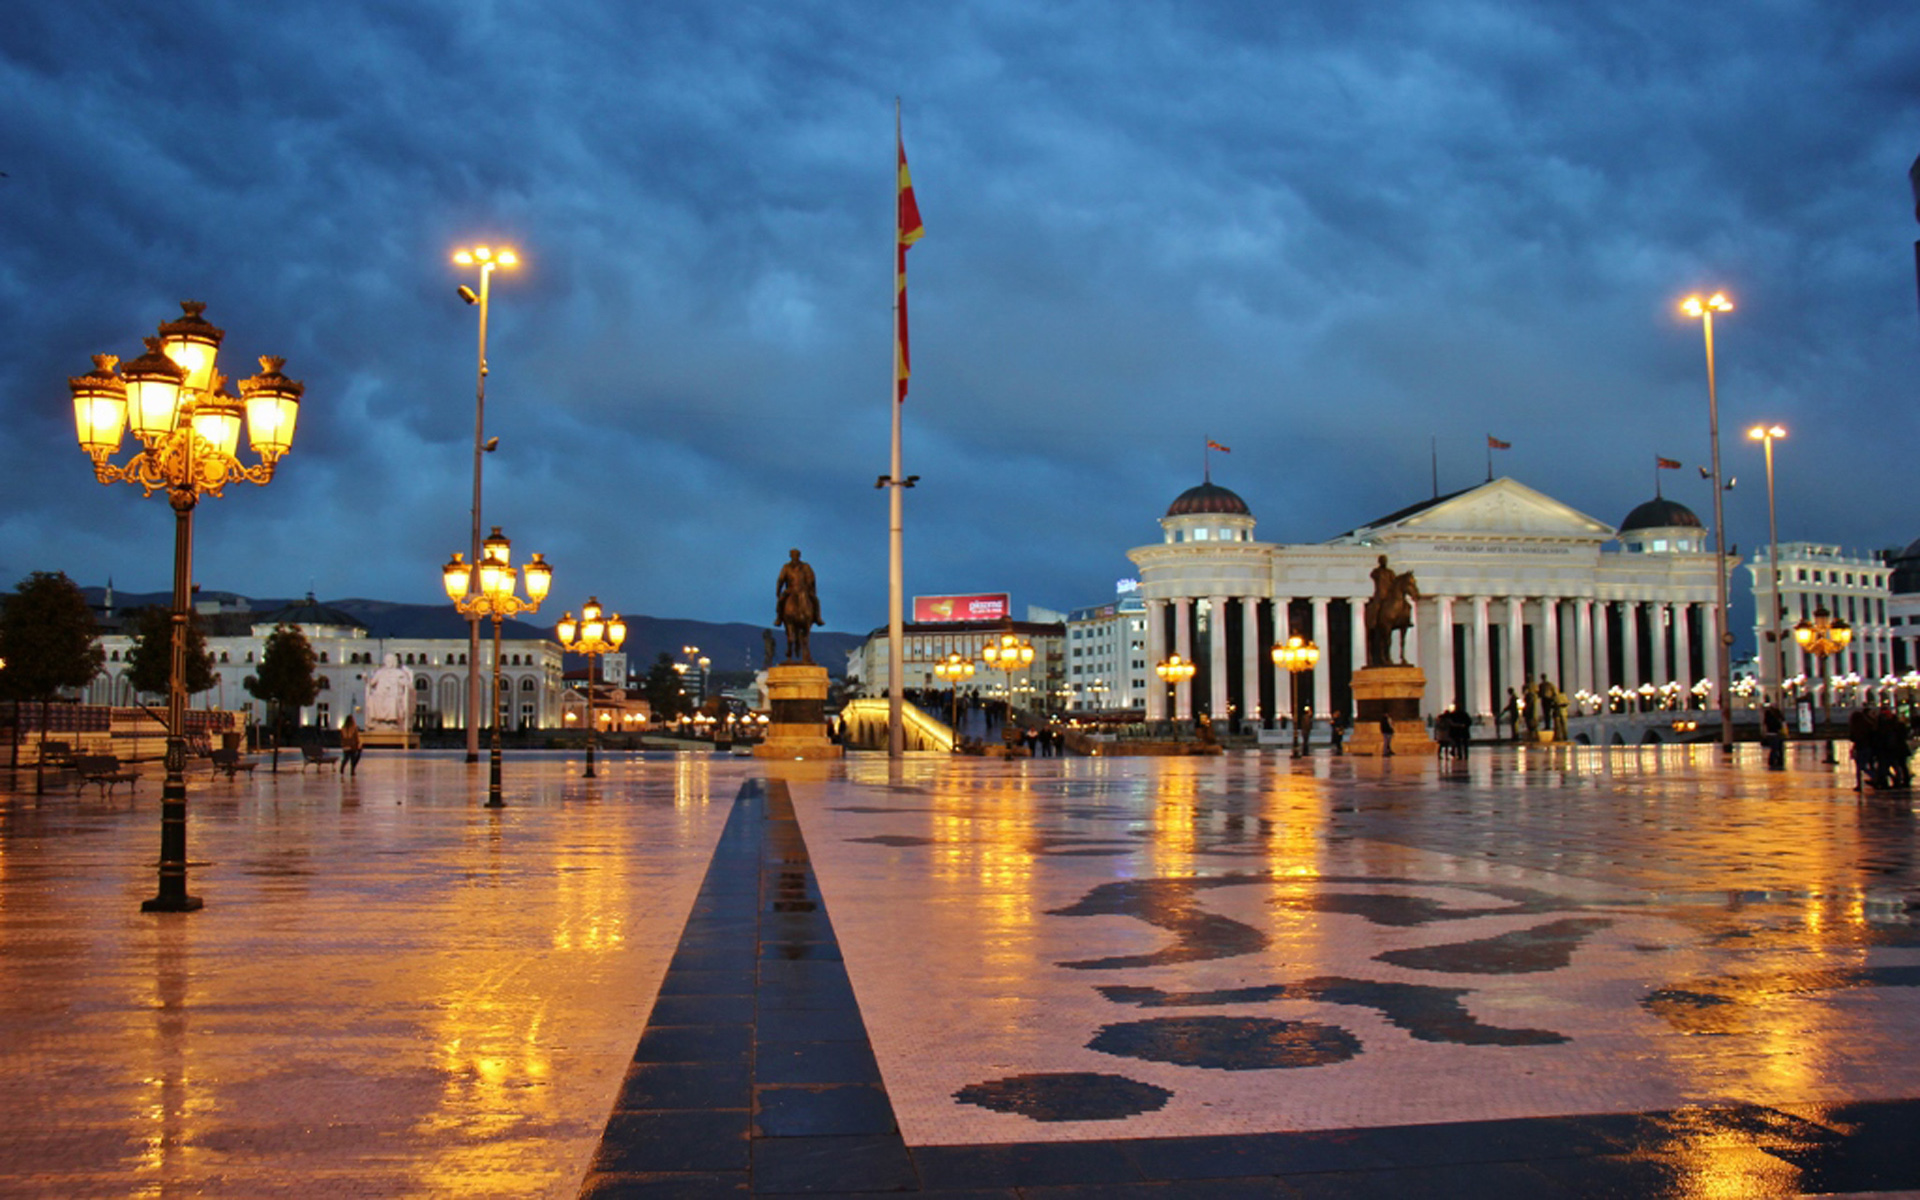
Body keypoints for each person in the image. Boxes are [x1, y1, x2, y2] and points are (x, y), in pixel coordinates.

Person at [774, 549, 823, 664]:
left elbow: (812, 579)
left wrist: (810, 588)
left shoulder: (806, 567)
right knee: (781, 601)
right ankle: (779, 617)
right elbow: (781, 579)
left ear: (799, 556)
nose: (794, 557)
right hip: (791, 590)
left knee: (815, 600)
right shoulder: (786, 567)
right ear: (790, 556)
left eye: (796, 555)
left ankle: (817, 617)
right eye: (793, 555)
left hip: (803, 590)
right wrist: (778, 591)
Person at [1762, 701, 1787, 770]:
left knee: (1774, 749)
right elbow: (1782, 723)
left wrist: (1764, 733)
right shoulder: (1776, 715)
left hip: (1771, 734)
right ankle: (1778, 761)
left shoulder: (1768, 715)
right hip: (1776, 734)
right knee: (1778, 749)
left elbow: (1765, 725)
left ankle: (1773, 762)